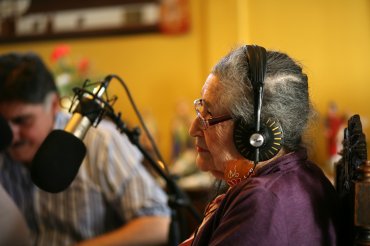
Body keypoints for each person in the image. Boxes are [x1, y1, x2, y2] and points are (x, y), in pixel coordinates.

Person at [180, 44, 348, 245]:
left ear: (255, 134)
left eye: (209, 115)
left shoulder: (261, 202)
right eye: (200, 109)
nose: (193, 129)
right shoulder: (303, 174)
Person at [0, 52, 170, 246]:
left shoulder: (100, 142)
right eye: (2, 124)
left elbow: (160, 223)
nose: (11, 135)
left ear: (54, 104)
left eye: (22, 121)